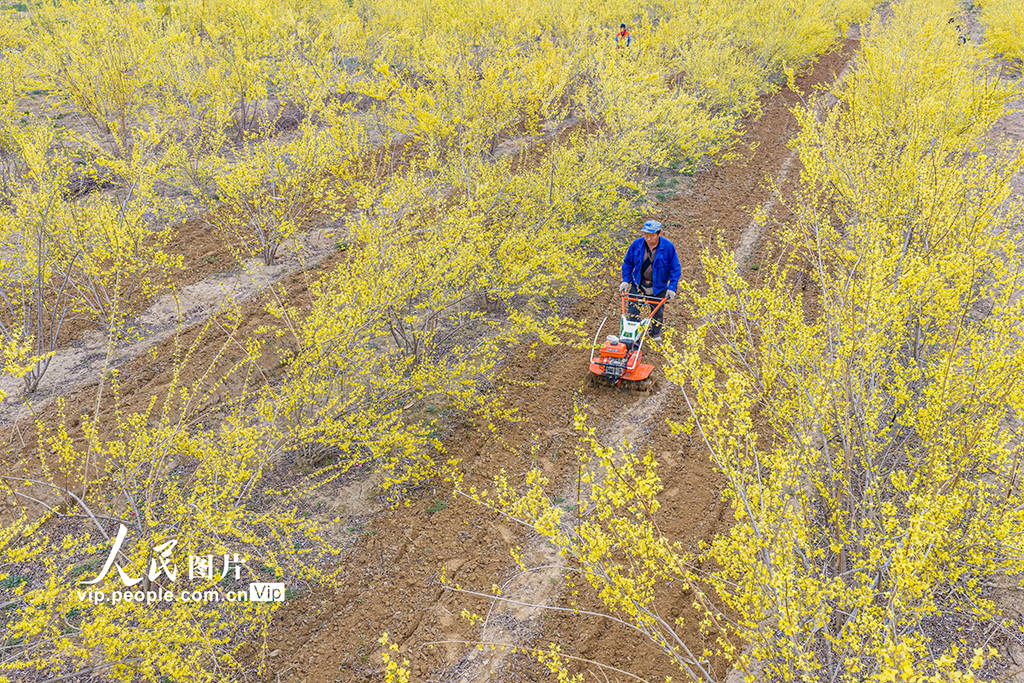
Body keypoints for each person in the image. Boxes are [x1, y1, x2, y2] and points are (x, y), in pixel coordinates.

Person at [618, 220, 680, 341]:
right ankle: (633, 336)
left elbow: (675, 269)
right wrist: (626, 280)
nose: (648, 238)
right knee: (632, 311)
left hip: (658, 286)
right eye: (646, 235)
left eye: (651, 236)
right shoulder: (637, 245)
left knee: (657, 313)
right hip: (638, 284)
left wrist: (672, 288)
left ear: (659, 234)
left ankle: (655, 333)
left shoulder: (668, 247)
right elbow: (628, 263)